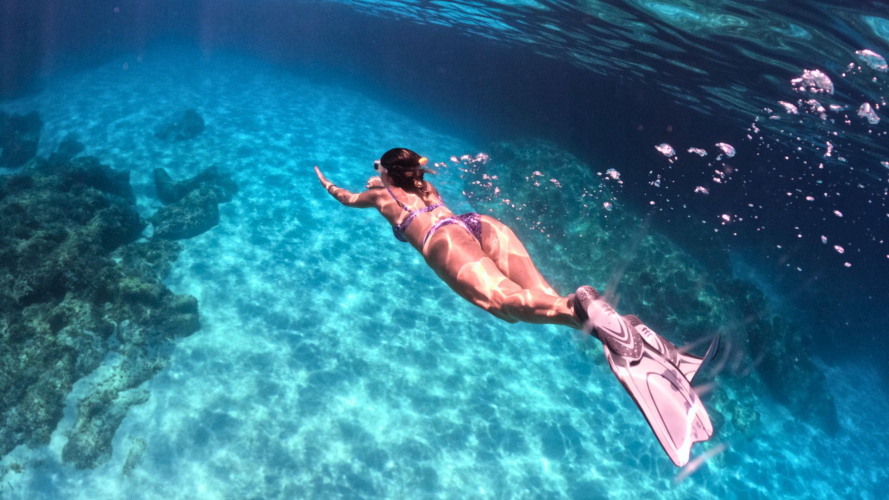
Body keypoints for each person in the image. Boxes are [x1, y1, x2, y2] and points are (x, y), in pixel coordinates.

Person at [314, 148, 719, 467]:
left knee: (502, 304)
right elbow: (401, 177)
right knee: (545, 297)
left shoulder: (380, 195)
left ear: (386, 174)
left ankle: (586, 311)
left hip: (446, 244)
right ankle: (608, 325)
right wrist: (387, 173)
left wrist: (326, 182)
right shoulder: (424, 187)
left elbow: (348, 198)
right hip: (480, 226)